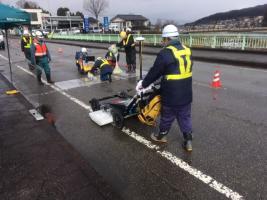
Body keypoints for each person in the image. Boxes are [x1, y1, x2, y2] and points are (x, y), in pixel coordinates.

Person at [136, 24, 193, 152]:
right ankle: (188, 141)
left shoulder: (165, 53)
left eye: (163, 39)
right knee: (185, 117)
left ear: (167, 39)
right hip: (186, 93)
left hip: (171, 94)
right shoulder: (187, 50)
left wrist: (143, 84)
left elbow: (155, 71)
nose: (162, 42)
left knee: (167, 116)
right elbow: (176, 70)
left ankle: (161, 136)